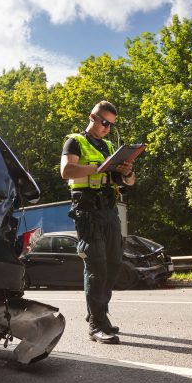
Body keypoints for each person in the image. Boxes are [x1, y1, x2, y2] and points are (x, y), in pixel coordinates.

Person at [61, 101, 136, 344]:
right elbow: (66, 171)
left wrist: (126, 171)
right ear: (93, 117)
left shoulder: (108, 147)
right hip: (87, 210)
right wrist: (98, 168)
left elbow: (130, 183)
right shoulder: (75, 141)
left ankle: (98, 313)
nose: (107, 128)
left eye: (111, 125)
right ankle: (96, 325)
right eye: (104, 122)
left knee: (114, 263)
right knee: (96, 266)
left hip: (109, 210)